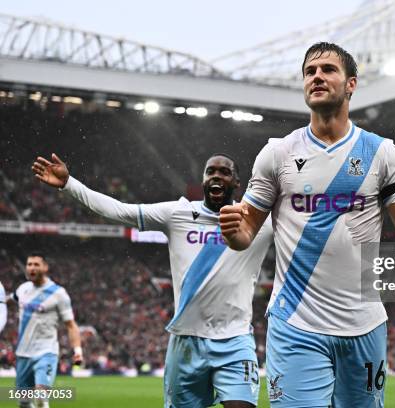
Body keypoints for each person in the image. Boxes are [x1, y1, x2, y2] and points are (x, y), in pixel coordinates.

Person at [220, 42, 395, 407]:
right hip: (296, 323)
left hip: (364, 323)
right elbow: (245, 231)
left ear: (351, 84)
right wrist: (234, 233)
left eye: (328, 69)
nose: (317, 77)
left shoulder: (380, 152)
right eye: (310, 72)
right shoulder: (277, 153)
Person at [32, 153, 273, 408]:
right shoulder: (177, 213)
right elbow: (119, 210)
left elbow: (302, 229)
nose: (216, 176)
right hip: (186, 343)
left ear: (237, 182)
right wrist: (70, 184)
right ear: (203, 180)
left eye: (224, 172)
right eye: (210, 171)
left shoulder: (258, 223)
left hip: (235, 341)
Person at [7, 253, 82, 408]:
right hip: (23, 353)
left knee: (41, 397)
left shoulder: (58, 293)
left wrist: (77, 349)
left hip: (46, 352)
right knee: (23, 402)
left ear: (45, 267)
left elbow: (71, 324)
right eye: (29, 264)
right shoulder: (23, 289)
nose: (32, 268)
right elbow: (9, 300)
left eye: (36, 264)